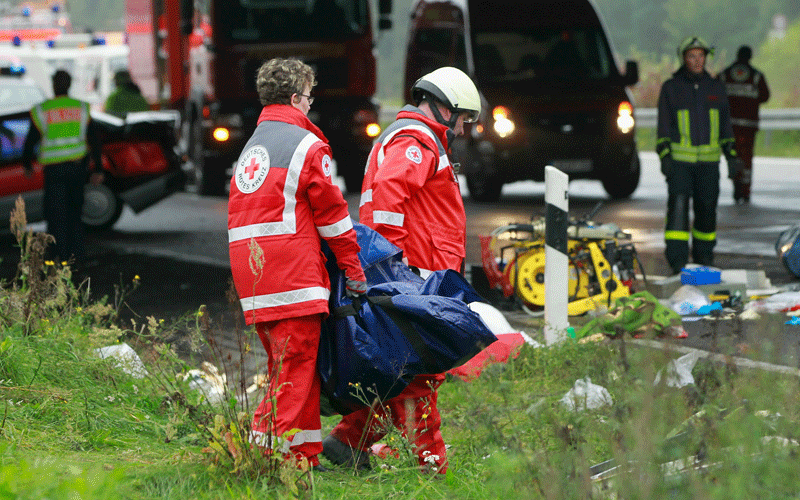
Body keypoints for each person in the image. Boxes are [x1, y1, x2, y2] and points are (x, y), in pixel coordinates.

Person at [322, 66, 481, 474]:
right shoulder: (417, 140)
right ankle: (431, 465)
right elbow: (391, 194)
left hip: (414, 274)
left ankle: (347, 444)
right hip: (416, 276)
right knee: (419, 374)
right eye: (463, 119)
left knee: (398, 369)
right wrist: (397, 269)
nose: (462, 130)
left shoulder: (413, 138)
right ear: (445, 108)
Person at [227, 58, 367, 471]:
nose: (310, 105)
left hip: (256, 276)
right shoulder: (306, 145)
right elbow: (334, 217)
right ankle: (263, 459)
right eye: (308, 97)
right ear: (294, 98)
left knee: (291, 369)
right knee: (294, 370)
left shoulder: (255, 145)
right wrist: (354, 270)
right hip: (293, 277)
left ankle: (303, 457)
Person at [656, 37, 740, 275]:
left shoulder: (716, 88)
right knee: (678, 211)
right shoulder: (671, 88)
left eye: (701, 56)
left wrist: (731, 156)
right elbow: (663, 127)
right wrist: (665, 156)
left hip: (708, 165)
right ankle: (678, 261)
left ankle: (704, 257)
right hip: (680, 164)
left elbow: (725, 126)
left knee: (706, 210)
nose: (697, 60)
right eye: (692, 56)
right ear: (684, 58)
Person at [22, 69, 104, 264]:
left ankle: (59, 257)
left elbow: (30, 140)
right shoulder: (81, 108)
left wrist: (27, 164)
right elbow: (94, 140)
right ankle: (77, 257)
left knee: (55, 215)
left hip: (54, 172)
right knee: (75, 213)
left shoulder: (42, 110)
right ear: (69, 85)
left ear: (53, 84)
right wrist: (98, 168)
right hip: (77, 170)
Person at [718, 45, 770, 204]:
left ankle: (736, 185)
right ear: (749, 57)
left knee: (732, 156)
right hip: (748, 127)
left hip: (729, 126)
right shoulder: (756, 76)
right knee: (747, 158)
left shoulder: (725, 75)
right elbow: (765, 96)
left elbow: (712, 93)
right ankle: (745, 191)